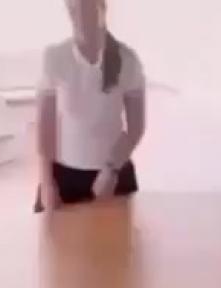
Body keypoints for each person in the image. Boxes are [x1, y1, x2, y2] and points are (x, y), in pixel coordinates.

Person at [35, 0, 146, 212]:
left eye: (88, 10)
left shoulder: (128, 60)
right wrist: (47, 183)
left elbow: (136, 127)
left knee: (113, 234)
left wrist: (111, 170)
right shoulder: (55, 57)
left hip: (113, 177)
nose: (81, 19)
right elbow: (45, 128)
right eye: (74, 11)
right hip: (65, 178)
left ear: (102, 9)